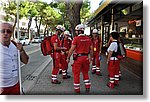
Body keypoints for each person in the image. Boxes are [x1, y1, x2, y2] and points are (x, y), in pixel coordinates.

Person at [0, 22, 29, 95]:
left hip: (15, 85)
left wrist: (22, 50)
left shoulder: (15, 45)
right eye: (2, 31)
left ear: (12, 33)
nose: (5, 33)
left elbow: (26, 61)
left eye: (8, 31)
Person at [67, 24, 93, 94]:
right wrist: (91, 58)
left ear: (79, 31)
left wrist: (68, 57)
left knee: (76, 74)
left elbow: (71, 49)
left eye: (76, 31)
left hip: (78, 59)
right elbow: (91, 50)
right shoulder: (88, 39)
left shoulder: (76, 39)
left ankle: (77, 89)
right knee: (85, 73)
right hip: (86, 58)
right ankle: (87, 86)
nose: (76, 32)